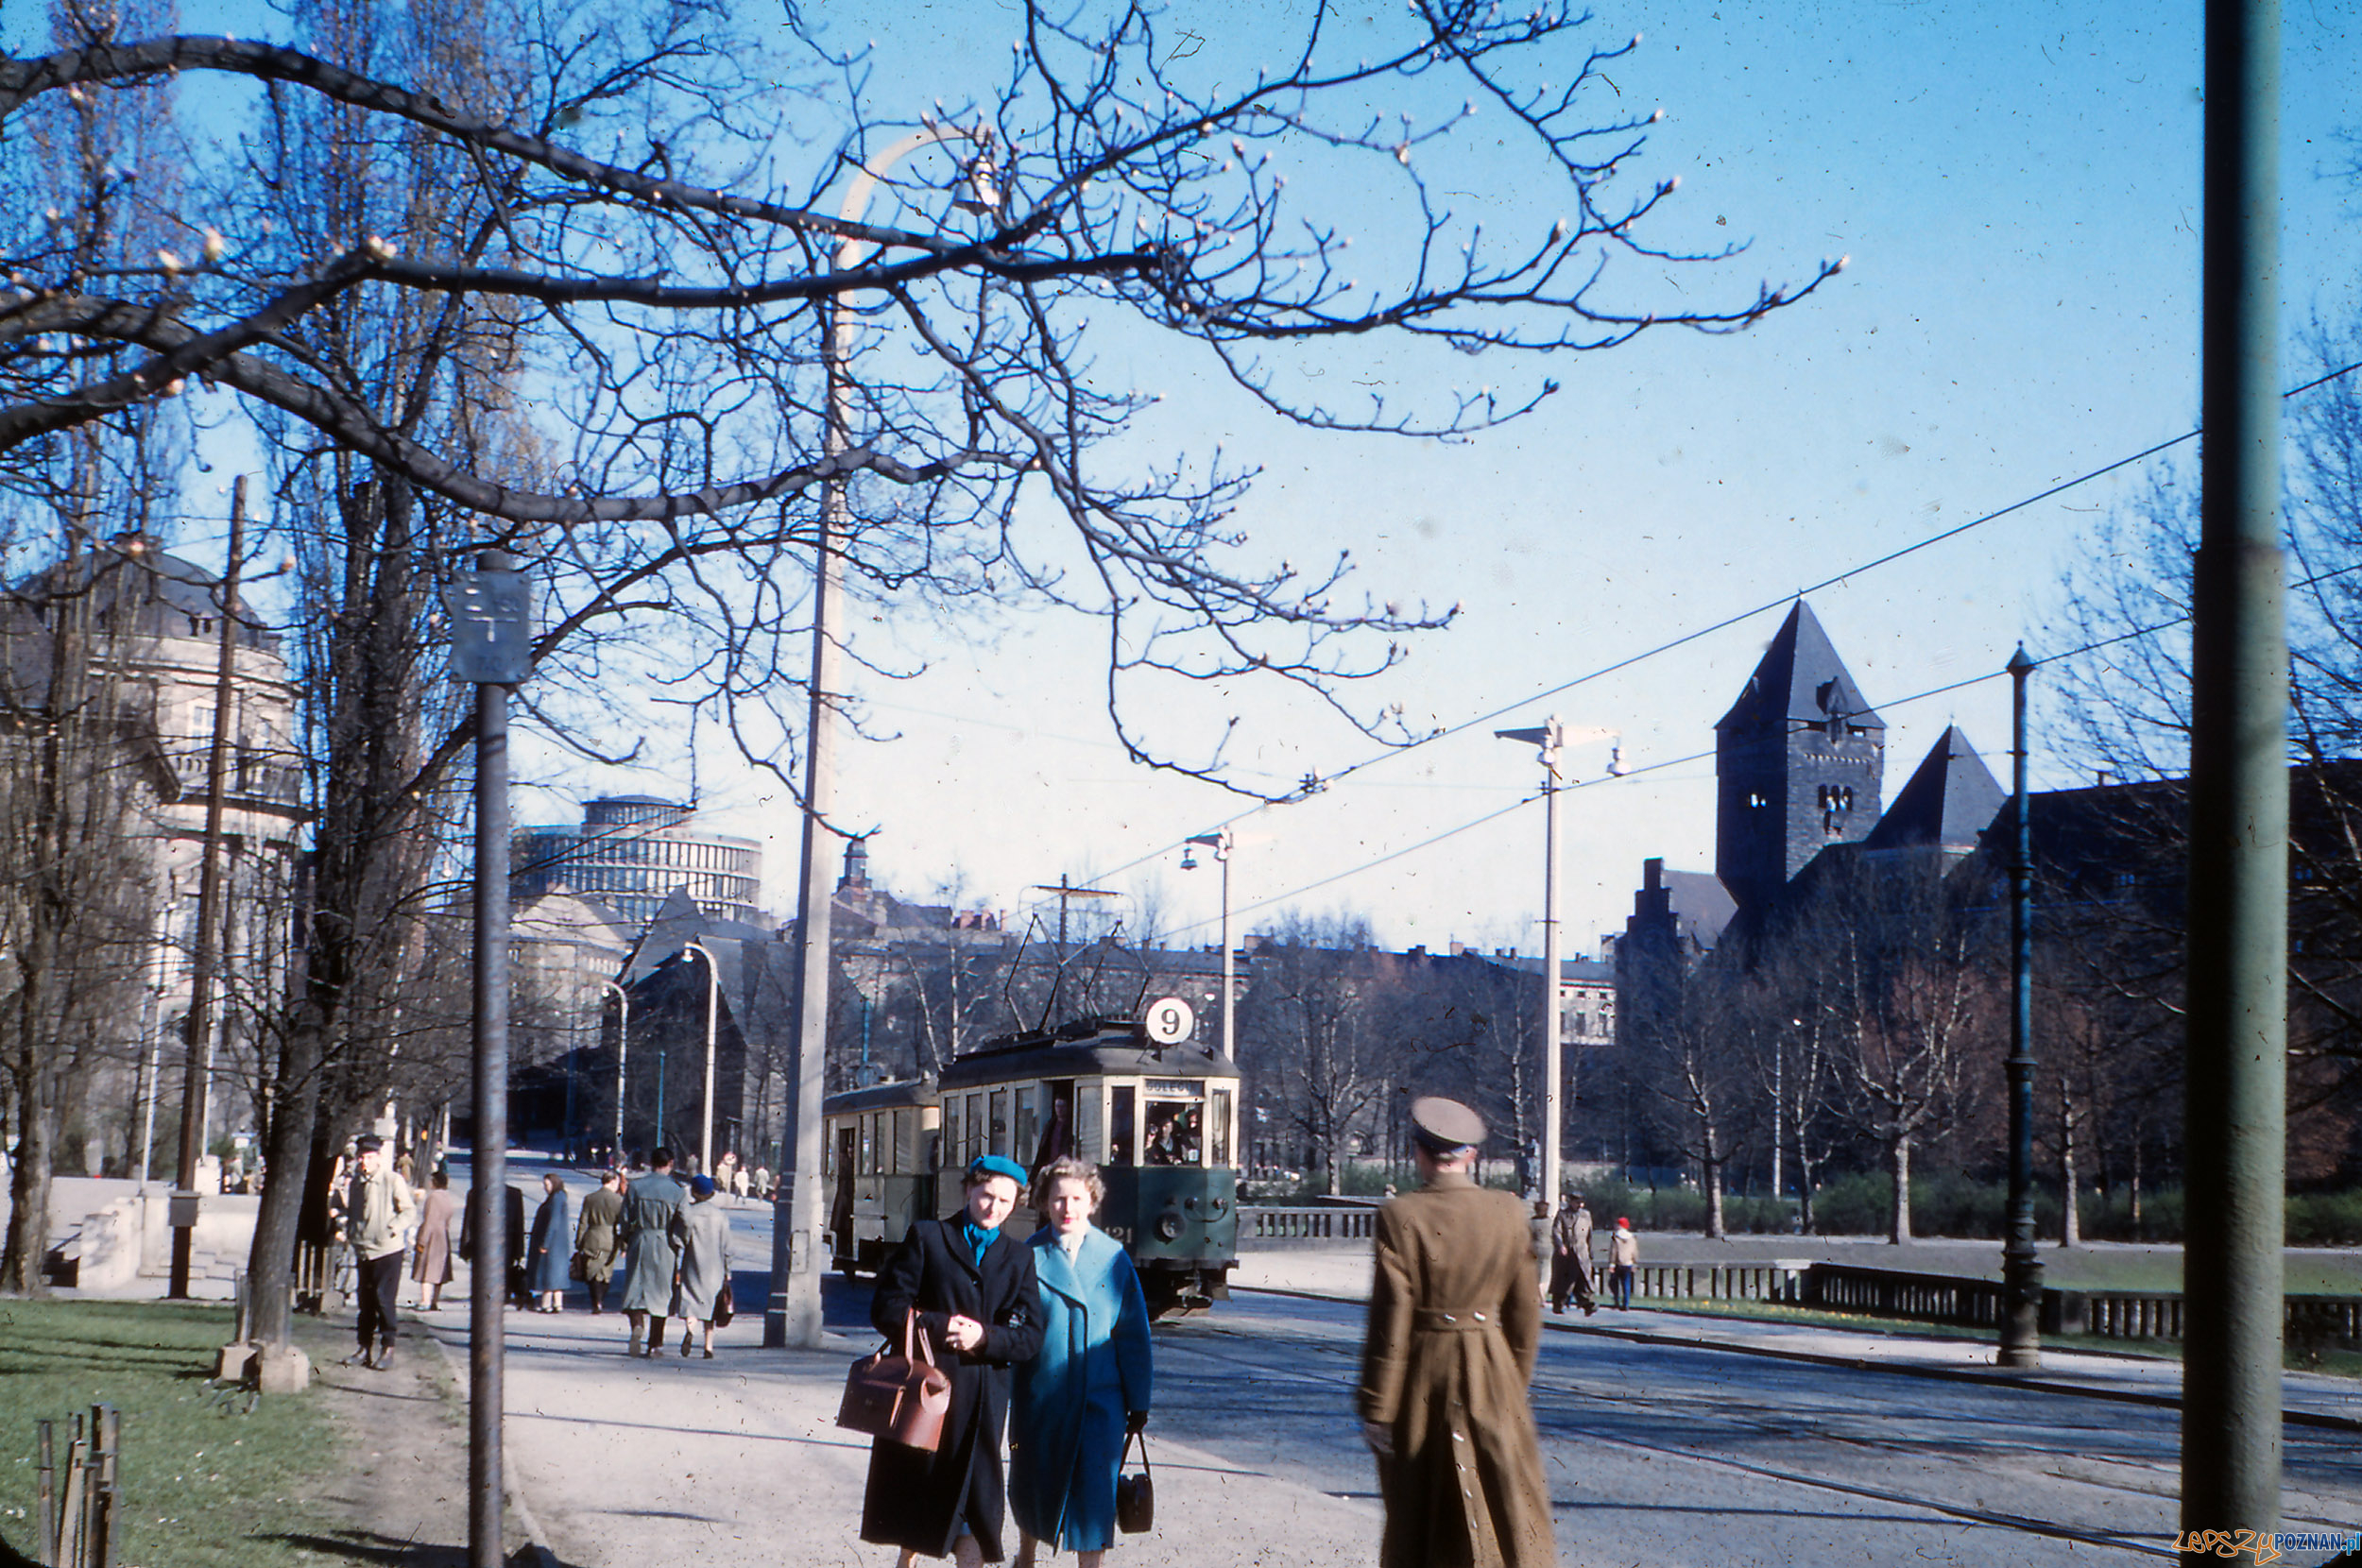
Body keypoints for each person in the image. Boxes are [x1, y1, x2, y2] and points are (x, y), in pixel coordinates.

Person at [1357, 1096, 1555, 1568]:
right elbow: (1526, 1313)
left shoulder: (1400, 1215)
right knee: (1506, 1503)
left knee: (1422, 1512)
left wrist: (1377, 1406)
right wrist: (1511, 1383)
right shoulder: (1509, 1213)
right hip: (1493, 1371)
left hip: (1424, 1377)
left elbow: (1392, 1319)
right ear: (1471, 1155)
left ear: (1419, 1152)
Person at [862, 1154, 1044, 1568]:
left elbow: (1030, 1337)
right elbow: (887, 1307)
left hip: (982, 1401)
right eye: (986, 1195)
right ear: (967, 1190)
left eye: (1005, 1200)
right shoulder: (928, 1238)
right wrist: (938, 1325)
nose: (993, 1207)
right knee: (918, 1488)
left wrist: (984, 1337)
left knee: (975, 1499)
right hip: (925, 1392)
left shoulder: (1019, 1258)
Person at [1008, 1158, 1152, 1568]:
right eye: (1057, 1199)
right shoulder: (1028, 1255)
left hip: (1099, 1399)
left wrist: (1138, 1401)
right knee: (1034, 1481)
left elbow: (1133, 1334)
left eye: (1076, 1198)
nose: (1066, 1208)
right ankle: (1026, 1555)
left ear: (1092, 1202)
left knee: (1094, 1490)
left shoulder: (1114, 1259)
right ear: (1043, 1203)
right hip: (1040, 1394)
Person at [329, 1134, 416, 1371]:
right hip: (363, 1250)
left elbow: (409, 1212)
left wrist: (392, 1228)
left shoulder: (392, 1180)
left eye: (369, 1157)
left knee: (384, 1300)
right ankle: (363, 1348)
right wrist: (350, 1230)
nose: (364, 1161)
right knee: (365, 1302)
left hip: (388, 1251)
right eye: (361, 1157)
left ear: (378, 1157)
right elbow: (356, 1213)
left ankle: (388, 1349)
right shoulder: (356, 1182)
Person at [620, 1148, 688, 1355]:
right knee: (661, 1294)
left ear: (651, 1162)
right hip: (665, 1243)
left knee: (635, 1289)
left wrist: (627, 1238)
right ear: (671, 1163)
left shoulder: (636, 1187)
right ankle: (656, 1344)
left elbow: (624, 1217)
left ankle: (637, 1326)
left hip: (640, 1239)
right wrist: (680, 1240)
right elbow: (685, 1221)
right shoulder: (677, 1191)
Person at [668, 1173, 732, 1357]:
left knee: (691, 1301)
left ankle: (690, 1330)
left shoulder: (689, 1214)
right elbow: (728, 1247)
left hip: (693, 1264)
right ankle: (708, 1347)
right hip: (715, 1268)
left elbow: (679, 1239)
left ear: (693, 1193)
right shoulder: (721, 1216)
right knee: (711, 1306)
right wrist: (728, 1270)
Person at [574, 1169, 626, 1314]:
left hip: (593, 1236)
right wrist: (624, 1245)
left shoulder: (590, 1198)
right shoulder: (618, 1200)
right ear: (613, 1181)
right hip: (610, 1238)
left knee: (592, 1270)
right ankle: (601, 1298)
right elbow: (624, 1223)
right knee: (606, 1271)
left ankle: (596, 1302)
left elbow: (583, 1222)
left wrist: (579, 1241)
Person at [411, 1170, 460, 1310]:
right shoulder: (447, 1197)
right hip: (443, 1235)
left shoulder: (433, 1197)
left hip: (432, 1236)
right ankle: (434, 1301)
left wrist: (421, 1240)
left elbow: (430, 1220)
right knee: (439, 1271)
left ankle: (425, 1300)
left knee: (427, 1269)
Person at [527, 1172, 573, 1312]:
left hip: (552, 1244)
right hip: (557, 1244)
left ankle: (546, 1304)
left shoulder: (556, 1199)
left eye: (547, 1185)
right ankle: (557, 1304)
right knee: (554, 1275)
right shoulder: (559, 1197)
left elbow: (553, 1222)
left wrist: (545, 1243)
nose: (545, 1188)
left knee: (548, 1274)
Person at [1548, 1192, 1597, 1318]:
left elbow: (1590, 1235)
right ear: (1571, 1202)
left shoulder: (1586, 1215)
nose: (1580, 1205)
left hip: (1582, 1252)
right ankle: (1558, 1304)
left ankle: (1588, 1304)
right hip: (1567, 1253)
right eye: (1577, 1203)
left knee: (1583, 1279)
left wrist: (1590, 1250)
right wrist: (1560, 1245)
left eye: (1581, 1203)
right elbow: (1556, 1231)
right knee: (1564, 1280)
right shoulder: (1563, 1214)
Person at [1609, 1216, 1638, 1311]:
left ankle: (1616, 1301)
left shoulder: (1616, 1237)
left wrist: (1612, 1264)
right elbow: (1635, 1252)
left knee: (1614, 1283)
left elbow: (1614, 1252)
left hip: (1618, 1263)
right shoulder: (1632, 1237)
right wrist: (1635, 1263)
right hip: (1628, 1263)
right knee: (1626, 1284)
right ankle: (1626, 1304)